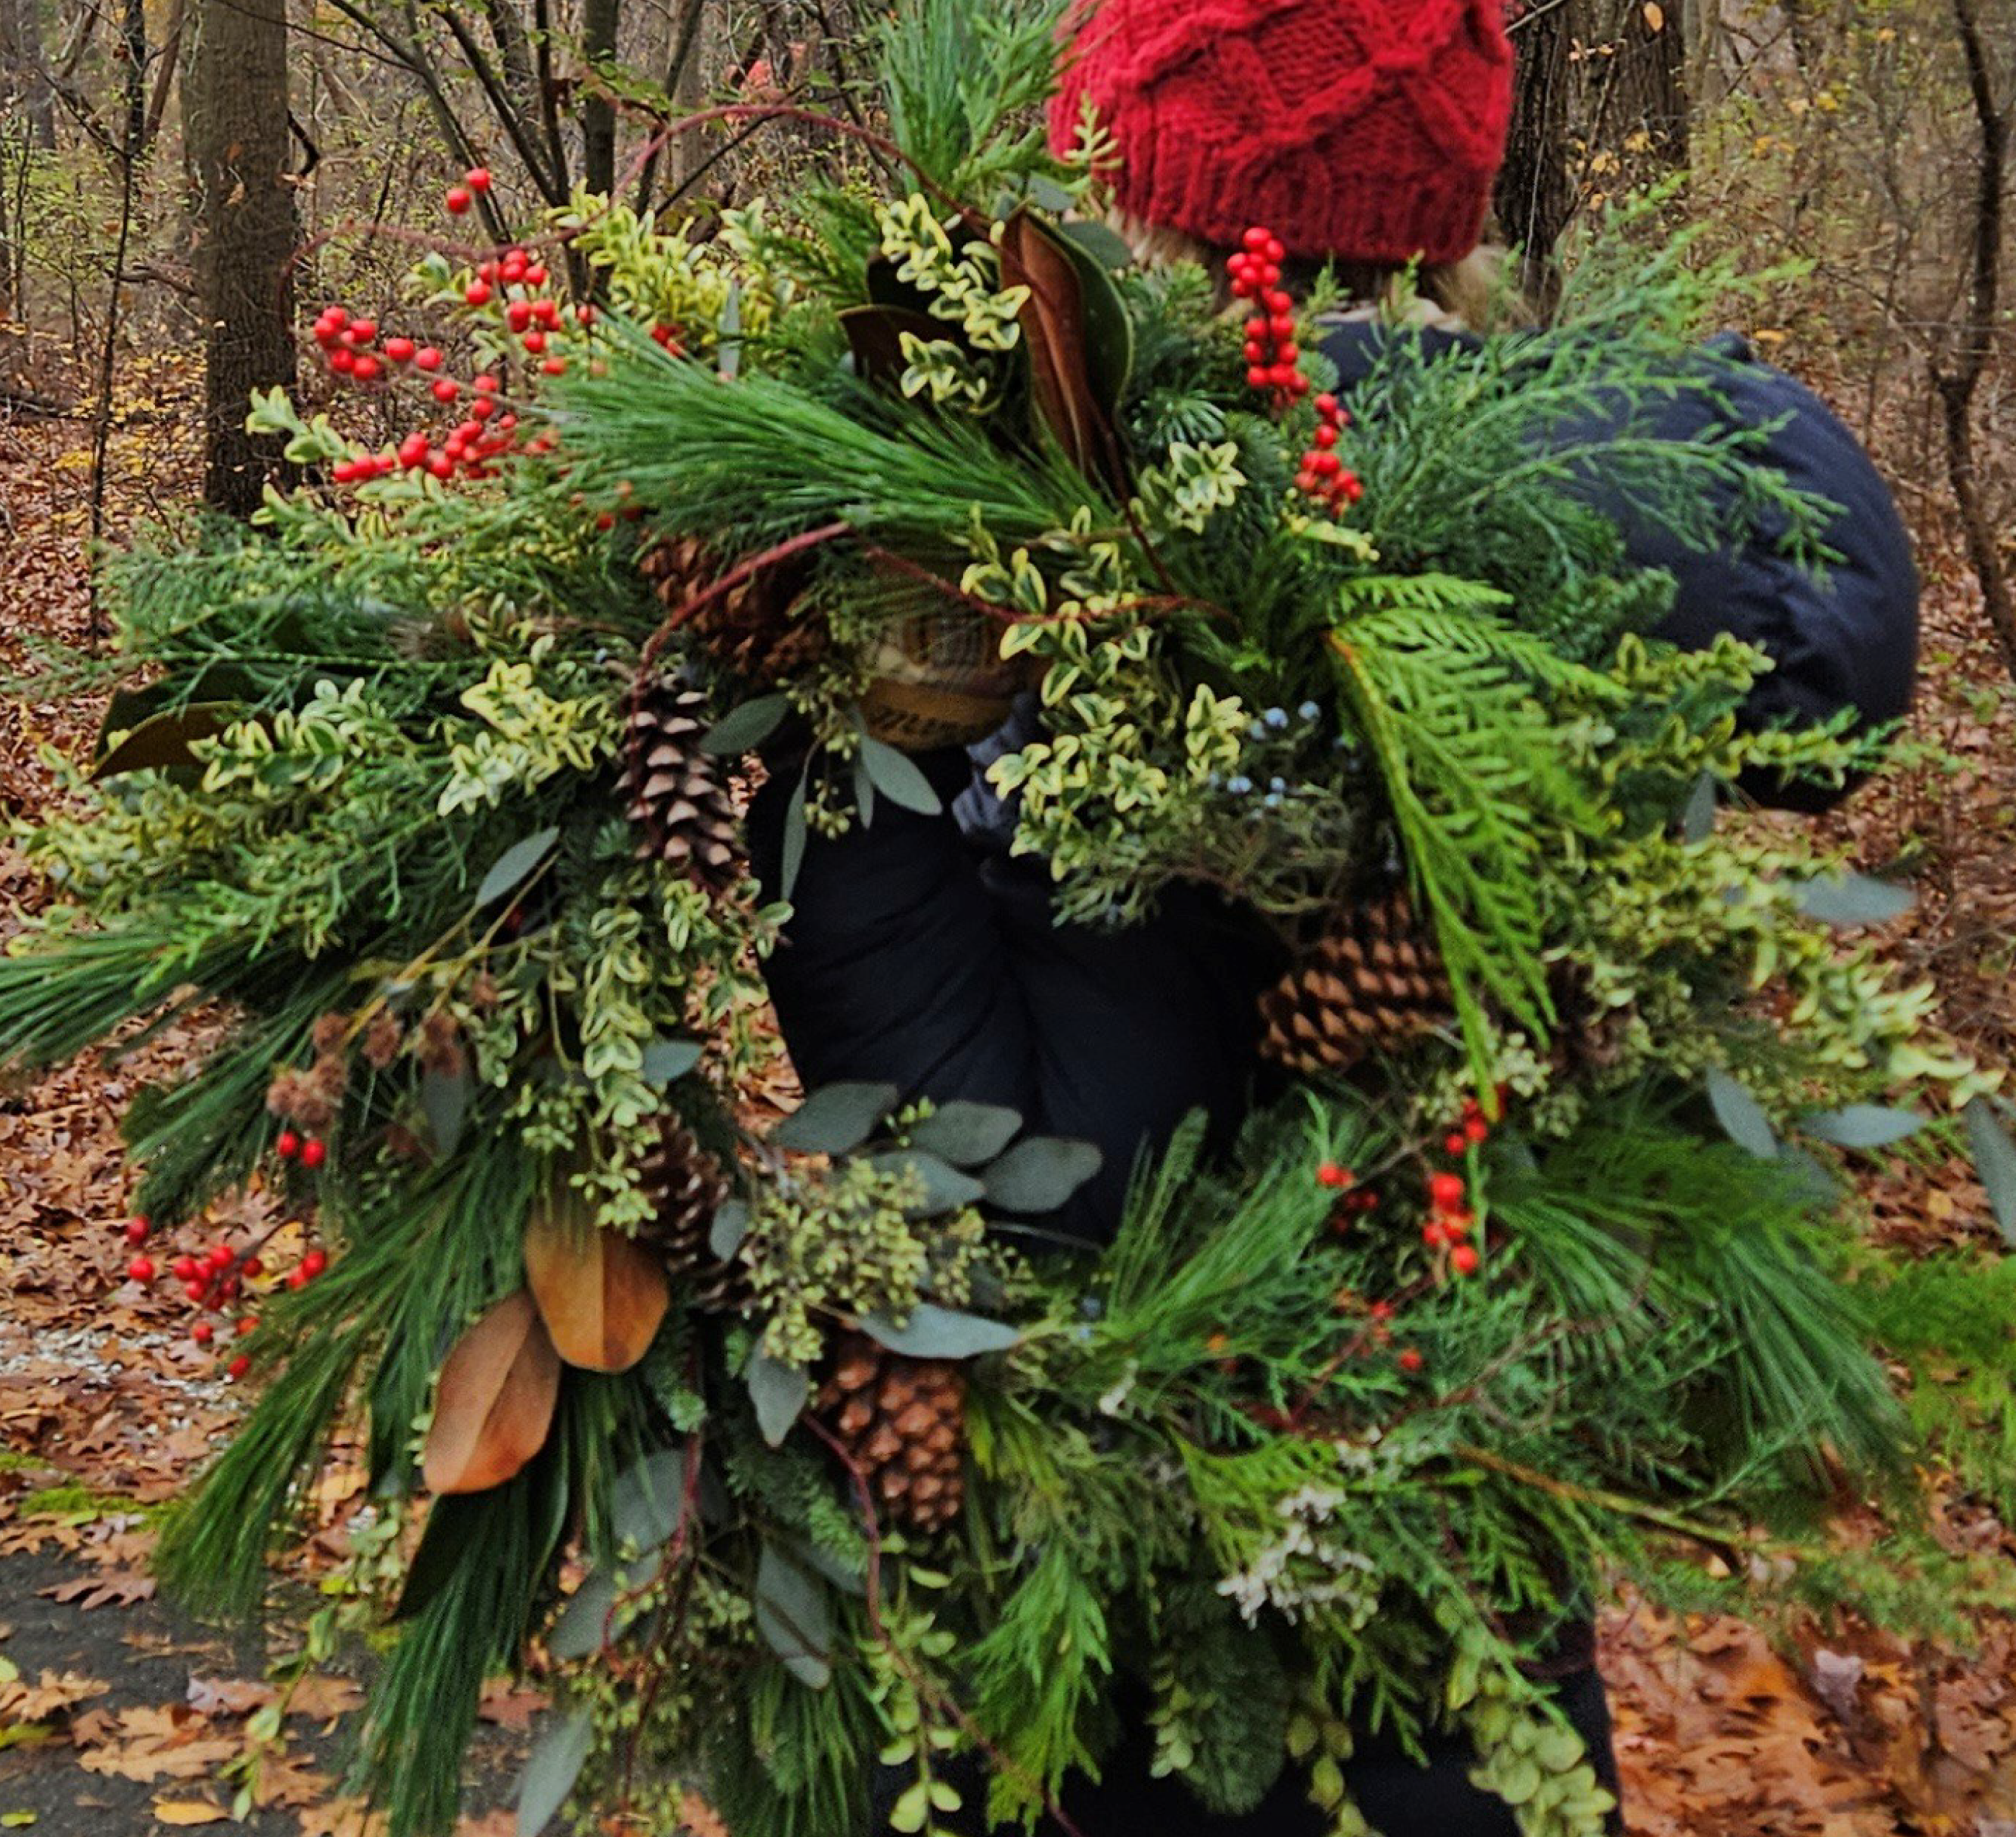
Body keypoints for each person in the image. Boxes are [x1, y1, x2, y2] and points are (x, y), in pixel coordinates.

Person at [746, 1, 1921, 1829]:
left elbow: (967, 1157)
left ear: (1127, 192)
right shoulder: (1604, 554)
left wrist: (831, 766)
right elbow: (1823, 604)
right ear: (1450, 212)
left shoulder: (1003, 579)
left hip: (1081, 1654)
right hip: (1463, 1615)